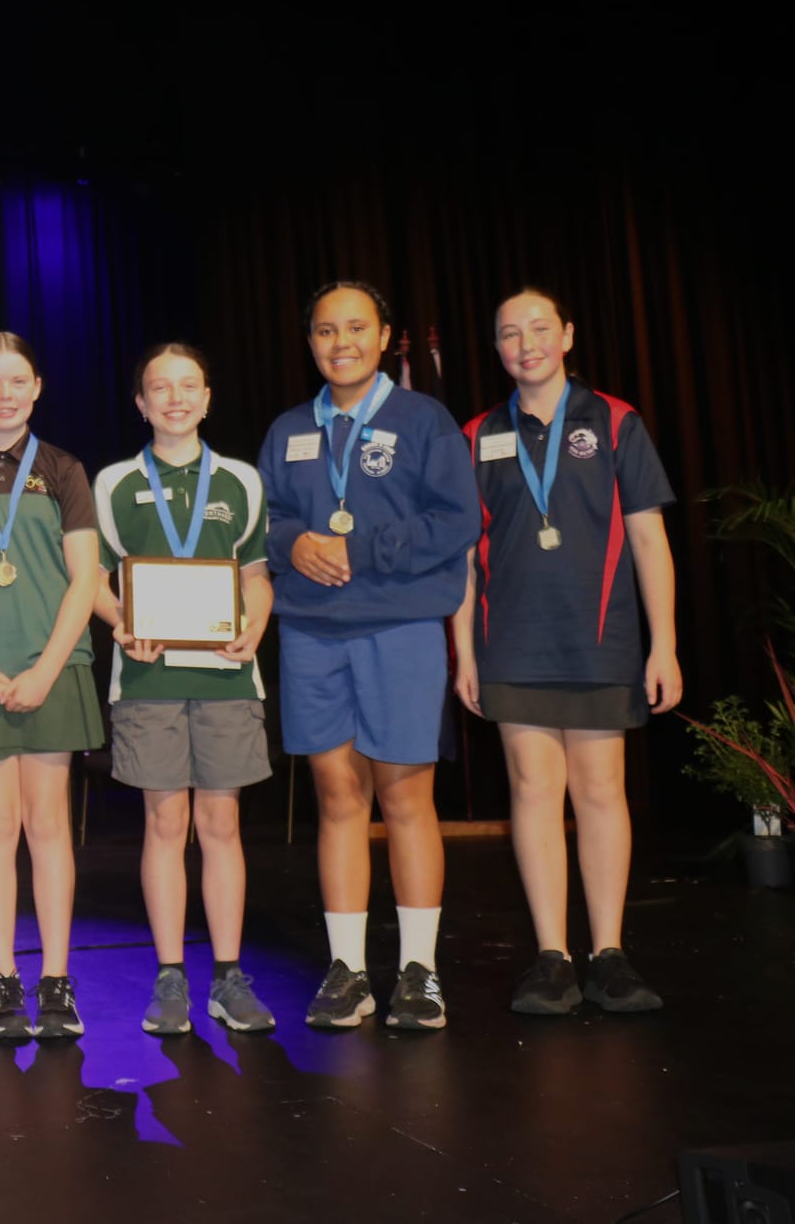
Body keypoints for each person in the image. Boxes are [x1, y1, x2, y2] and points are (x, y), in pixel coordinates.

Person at [257, 281, 479, 1030]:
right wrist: (294, 543)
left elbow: (456, 520)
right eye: (326, 330)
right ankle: (347, 970)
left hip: (401, 627)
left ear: (384, 336)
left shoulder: (424, 420)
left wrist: (363, 549)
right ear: (310, 341)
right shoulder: (290, 428)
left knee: (405, 796)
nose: (341, 342)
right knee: (336, 795)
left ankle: (420, 971)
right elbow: (264, 518)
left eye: (356, 328)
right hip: (311, 631)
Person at [452, 287, 680, 1014]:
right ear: (496, 347)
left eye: (539, 328)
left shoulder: (614, 421)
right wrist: (464, 654)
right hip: (511, 641)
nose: (526, 344)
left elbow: (648, 538)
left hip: (601, 637)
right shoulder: (477, 435)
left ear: (569, 334)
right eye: (509, 333)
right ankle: (552, 956)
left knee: (601, 790)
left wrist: (665, 645)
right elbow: (464, 558)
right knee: (532, 789)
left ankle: (609, 954)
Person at [93, 343, 278, 1036]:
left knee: (221, 824)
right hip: (147, 676)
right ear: (141, 403)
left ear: (207, 398)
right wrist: (122, 625)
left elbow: (255, 574)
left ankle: (228, 975)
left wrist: (255, 625)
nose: (175, 398)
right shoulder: (115, 482)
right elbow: (96, 579)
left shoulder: (241, 480)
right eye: (160, 388)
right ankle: (170, 975)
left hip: (227, 674)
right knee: (165, 824)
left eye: (188, 386)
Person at [0, 331, 106, 1042]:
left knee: (48, 824)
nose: (3, 394)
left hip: (51, 666)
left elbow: (85, 578)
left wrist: (44, 669)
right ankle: (3, 981)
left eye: (16, 381)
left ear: (36, 388)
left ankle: (56, 981)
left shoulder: (64, 469)